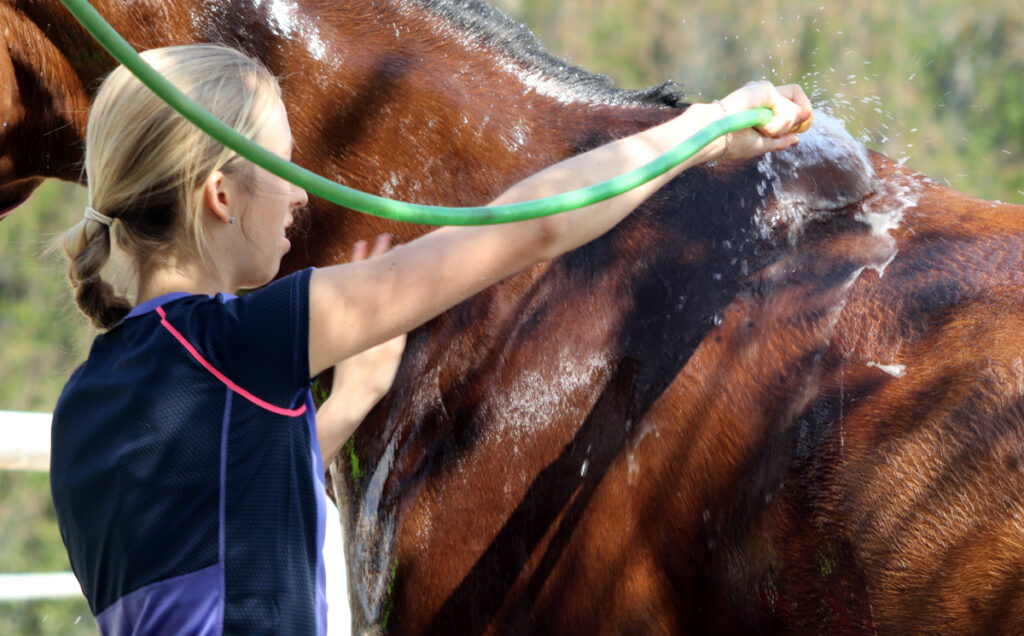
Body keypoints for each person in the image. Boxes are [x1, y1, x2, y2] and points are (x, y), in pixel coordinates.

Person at [49, 44, 812, 635]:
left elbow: (217, 515)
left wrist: (345, 407)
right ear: (220, 195)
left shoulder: (83, 406)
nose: (299, 192)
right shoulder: (240, 343)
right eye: (281, 164)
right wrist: (708, 128)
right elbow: (531, 228)